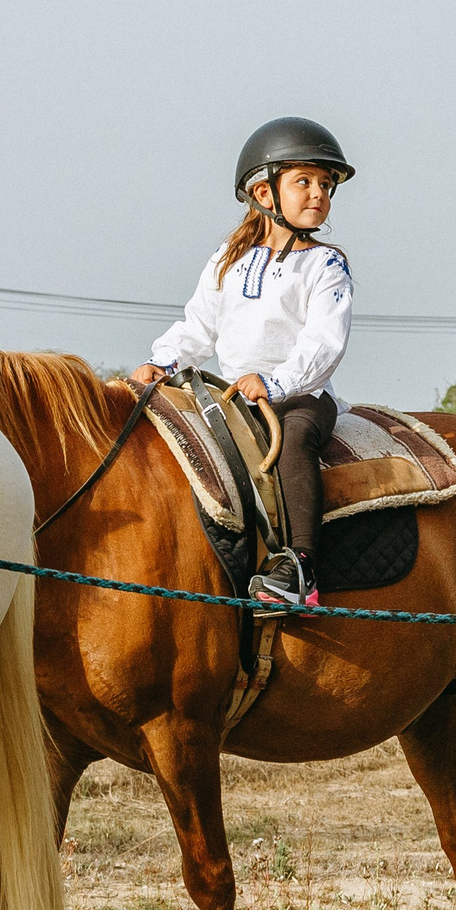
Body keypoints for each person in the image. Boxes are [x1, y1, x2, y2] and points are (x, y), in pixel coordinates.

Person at [135, 117, 355, 612]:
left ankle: (300, 567)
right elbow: (199, 326)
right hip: (229, 394)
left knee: (295, 440)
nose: (319, 194)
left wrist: (275, 384)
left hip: (300, 396)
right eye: (304, 181)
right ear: (264, 190)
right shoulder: (227, 258)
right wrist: (160, 362)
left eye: (326, 184)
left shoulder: (326, 265)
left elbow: (324, 343)